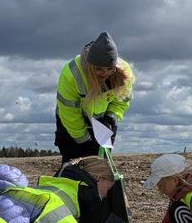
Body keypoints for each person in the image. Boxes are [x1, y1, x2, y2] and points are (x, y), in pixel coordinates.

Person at [54, 31, 134, 163]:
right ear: (90, 66)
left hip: (103, 123)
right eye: (99, 69)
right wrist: (84, 140)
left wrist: (113, 114)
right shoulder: (72, 74)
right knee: (75, 162)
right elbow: (70, 113)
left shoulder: (124, 73)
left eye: (109, 69)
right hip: (71, 122)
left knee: (101, 164)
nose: (105, 73)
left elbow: (123, 100)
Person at [37, 156, 115, 223]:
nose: (105, 195)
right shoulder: (91, 195)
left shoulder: (55, 182)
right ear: (99, 179)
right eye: (108, 188)